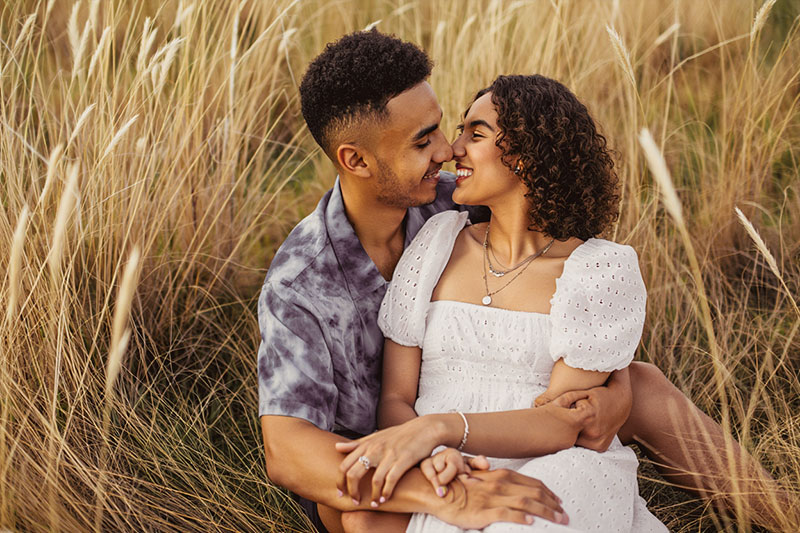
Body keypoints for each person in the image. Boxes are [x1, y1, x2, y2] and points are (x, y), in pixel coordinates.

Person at [258, 29, 782, 533]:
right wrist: (447, 484)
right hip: (389, 468)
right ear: (356, 160)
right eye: (424, 140)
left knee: (640, 382)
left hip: (513, 424)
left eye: (450, 128)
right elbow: (288, 451)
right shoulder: (303, 284)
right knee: (354, 515)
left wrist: (612, 391)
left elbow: (561, 267)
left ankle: (784, 515)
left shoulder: (450, 199)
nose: (447, 151)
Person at [335, 74, 669, 532]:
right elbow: (396, 397)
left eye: (476, 134)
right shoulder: (436, 243)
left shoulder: (598, 271)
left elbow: (563, 425)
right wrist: (435, 454)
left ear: (531, 154)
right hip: (443, 469)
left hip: (557, 467)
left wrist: (441, 427)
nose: (454, 149)